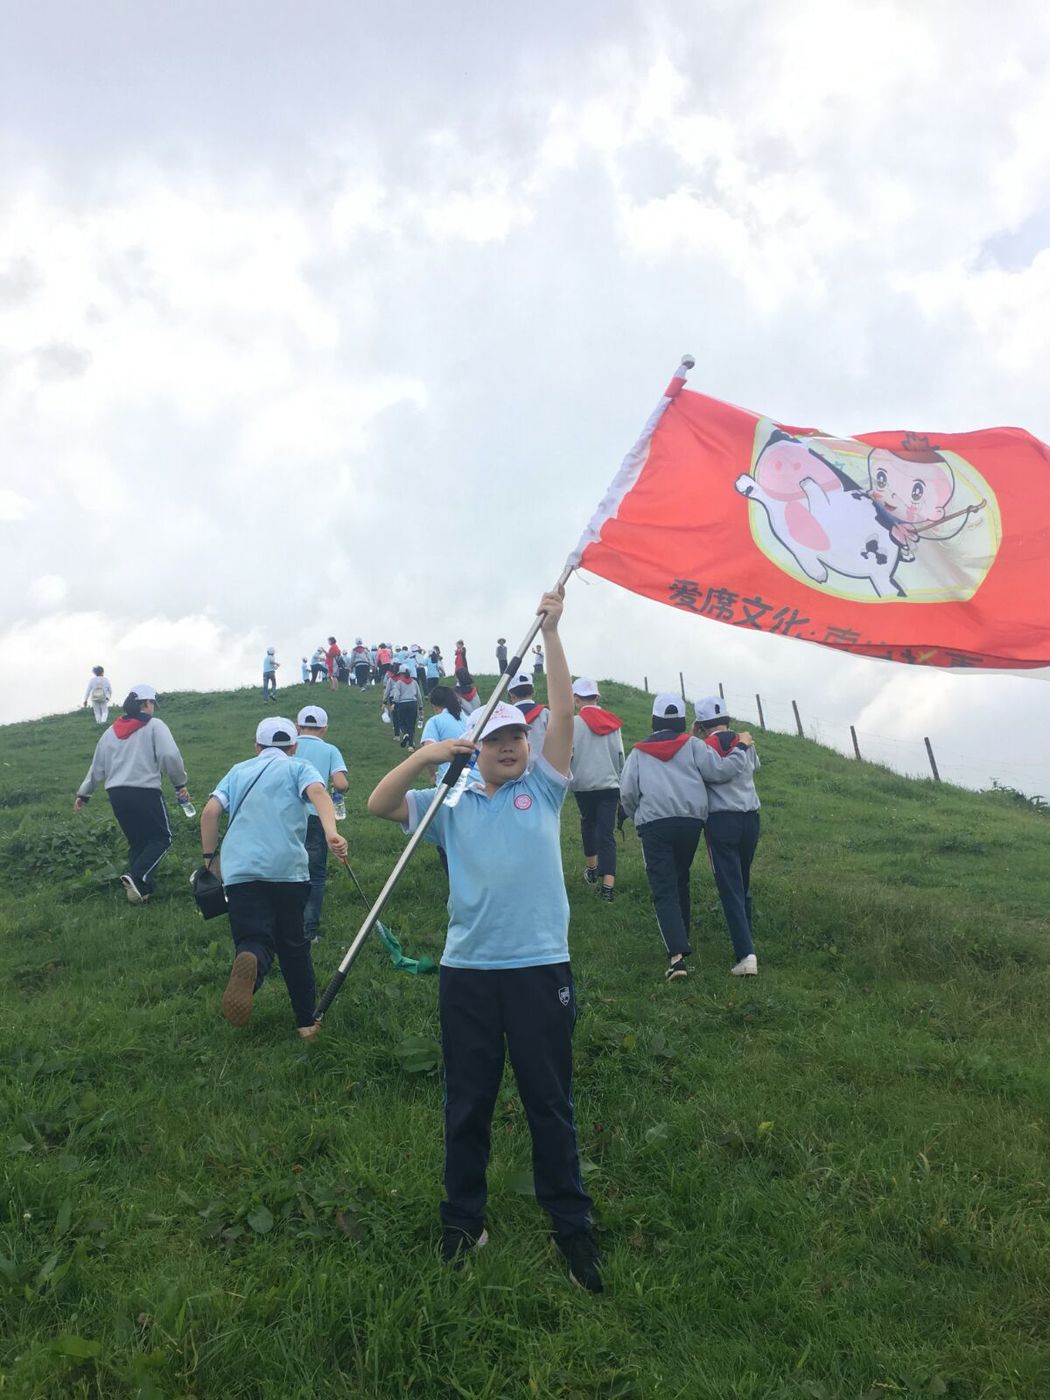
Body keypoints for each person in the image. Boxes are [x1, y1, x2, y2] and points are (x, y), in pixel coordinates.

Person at [367, 588, 601, 1292]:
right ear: (475, 748)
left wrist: (553, 634)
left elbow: (562, 712)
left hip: (537, 970)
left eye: (516, 738)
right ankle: (463, 1220)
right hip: (466, 972)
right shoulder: (448, 803)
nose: (509, 747)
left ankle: (572, 1228)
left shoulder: (547, 788)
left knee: (548, 1101)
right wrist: (429, 754)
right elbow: (380, 805)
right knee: (467, 1100)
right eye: (495, 739)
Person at [200, 716, 347, 1039]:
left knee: (253, 937)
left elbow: (210, 812)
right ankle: (306, 1023)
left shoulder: (238, 771)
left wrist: (210, 861)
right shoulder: (298, 767)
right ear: (293, 747)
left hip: (241, 871)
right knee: (294, 945)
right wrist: (331, 832)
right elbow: (319, 793)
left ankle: (250, 959)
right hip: (288, 870)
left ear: (257, 747)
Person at [618, 693, 753, 982]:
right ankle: (682, 936)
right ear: (682, 721)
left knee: (663, 887)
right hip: (690, 823)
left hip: (654, 824)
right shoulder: (693, 746)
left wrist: (634, 816)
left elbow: (627, 794)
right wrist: (740, 747)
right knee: (680, 879)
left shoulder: (638, 753)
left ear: (654, 720)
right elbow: (720, 770)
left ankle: (677, 958)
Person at [74, 684, 191, 904]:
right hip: (144, 791)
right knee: (162, 839)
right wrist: (179, 783)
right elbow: (170, 755)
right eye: (153, 703)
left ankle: (141, 892)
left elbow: (96, 767)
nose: (154, 708)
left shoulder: (110, 732)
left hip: (117, 794)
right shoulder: (155, 726)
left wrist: (84, 794)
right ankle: (137, 878)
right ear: (146, 704)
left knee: (139, 842)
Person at [693, 696, 761, 976]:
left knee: (729, 887)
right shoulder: (745, 741)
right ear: (727, 720)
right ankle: (747, 940)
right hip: (751, 817)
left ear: (700, 724)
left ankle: (746, 954)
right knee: (742, 882)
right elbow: (754, 767)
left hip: (721, 819)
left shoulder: (702, 747)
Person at [292, 705, 350, 942]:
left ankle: (284, 924)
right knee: (315, 875)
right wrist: (336, 789)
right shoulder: (330, 750)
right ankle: (308, 931)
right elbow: (341, 782)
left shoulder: (290, 746)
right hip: (317, 817)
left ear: (297, 726)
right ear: (324, 729)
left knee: (288, 870)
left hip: (289, 817)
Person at [569, 679, 625, 903]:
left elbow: (569, 753)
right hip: (609, 783)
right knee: (607, 833)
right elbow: (620, 755)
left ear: (576, 699)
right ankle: (607, 887)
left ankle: (592, 868)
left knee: (588, 824)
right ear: (597, 697)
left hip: (583, 784)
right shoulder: (613, 722)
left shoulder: (573, 723)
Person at [507, 670, 548, 758]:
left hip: (514, 767)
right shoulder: (546, 714)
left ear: (511, 695)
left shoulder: (506, 717)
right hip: (544, 768)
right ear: (533, 692)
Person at [390, 663, 423, 748]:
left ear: (400, 673)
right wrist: (420, 707)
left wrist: (394, 703)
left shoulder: (399, 683)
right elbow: (419, 695)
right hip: (413, 704)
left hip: (402, 704)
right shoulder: (414, 682)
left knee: (401, 723)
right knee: (411, 725)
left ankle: (405, 734)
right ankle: (411, 746)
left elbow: (396, 695)